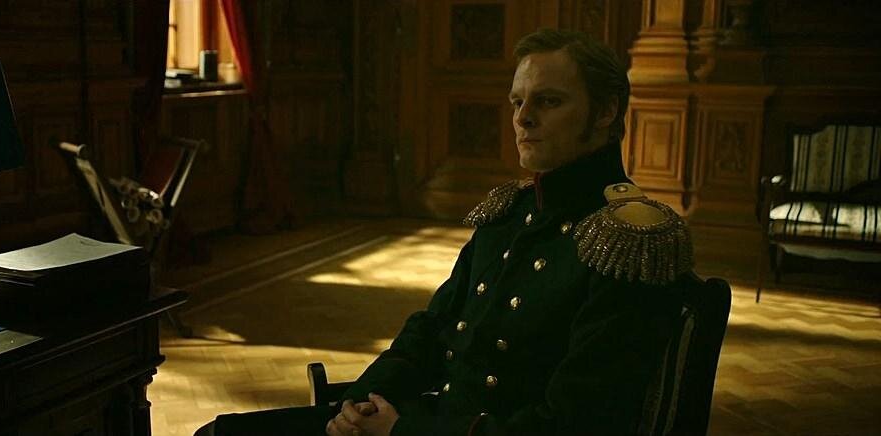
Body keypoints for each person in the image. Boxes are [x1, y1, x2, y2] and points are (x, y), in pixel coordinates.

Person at [199, 27, 693, 436]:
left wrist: (403, 431)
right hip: (425, 418)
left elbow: (576, 424)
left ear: (605, 112)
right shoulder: (510, 212)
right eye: (517, 101)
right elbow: (432, 329)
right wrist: (359, 404)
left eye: (548, 101)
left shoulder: (631, 240)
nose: (523, 118)